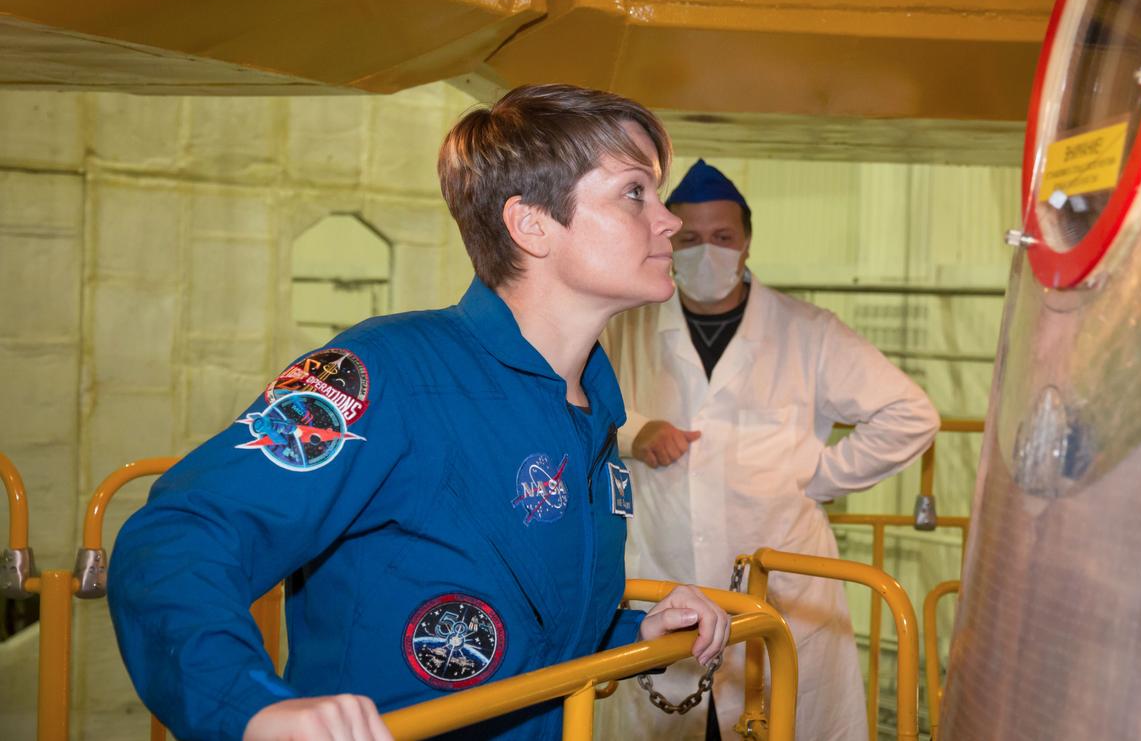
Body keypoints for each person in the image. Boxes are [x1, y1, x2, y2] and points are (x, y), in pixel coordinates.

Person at [107, 85, 732, 741]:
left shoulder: (591, 406)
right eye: (635, 192)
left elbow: (527, 611)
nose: (668, 222)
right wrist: (251, 706)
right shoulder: (387, 372)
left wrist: (632, 633)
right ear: (532, 224)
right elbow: (178, 537)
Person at [597, 159, 940, 740]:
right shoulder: (626, 328)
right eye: (690, 238)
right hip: (664, 574)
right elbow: (575, 405)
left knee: (781, 719)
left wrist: (820, 478)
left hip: (781, 582)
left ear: (747, 242)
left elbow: (910, 413)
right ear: (668, 240)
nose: (707, 252)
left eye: (723, 237)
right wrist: (636, 434)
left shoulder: (808, 330)